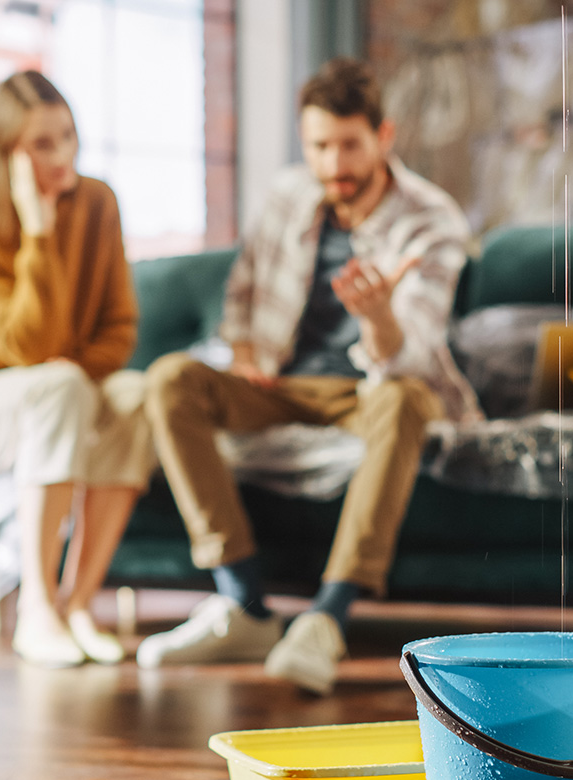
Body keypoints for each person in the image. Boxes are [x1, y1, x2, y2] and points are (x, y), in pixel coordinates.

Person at [137, 57, 480, 694]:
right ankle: (244, 604)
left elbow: (412, 351)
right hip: (281, 386)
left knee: (407, 402)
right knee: (170, 380)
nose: (334, 165)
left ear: (384, 136)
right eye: (320, 146)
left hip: (371, 389)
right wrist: (243, 353)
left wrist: (377, 317)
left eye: (350, 145)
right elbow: (239, 294)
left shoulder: (431, 220)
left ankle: (327, 618)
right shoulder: (290, 194)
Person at [0, 71, 153, 668]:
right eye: (42, 145)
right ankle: (37, 611)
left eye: (68, 137)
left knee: (135, 395)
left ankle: (77, 604)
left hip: (57, 390)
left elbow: (120, 331)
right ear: (8, 155)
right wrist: (39, 232)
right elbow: (28, 344)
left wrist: (66, 370)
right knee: (60, 385)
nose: (62, 155)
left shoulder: (99, 204)